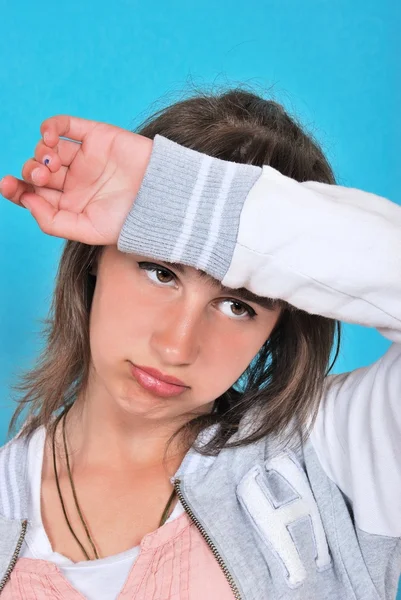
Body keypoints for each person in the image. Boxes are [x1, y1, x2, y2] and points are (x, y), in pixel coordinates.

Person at [0, 89, 399, 600]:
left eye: (239, 306)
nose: (177, 346)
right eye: (160, 271)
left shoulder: (335, 455)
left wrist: (186, 202)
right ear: (95, 257)